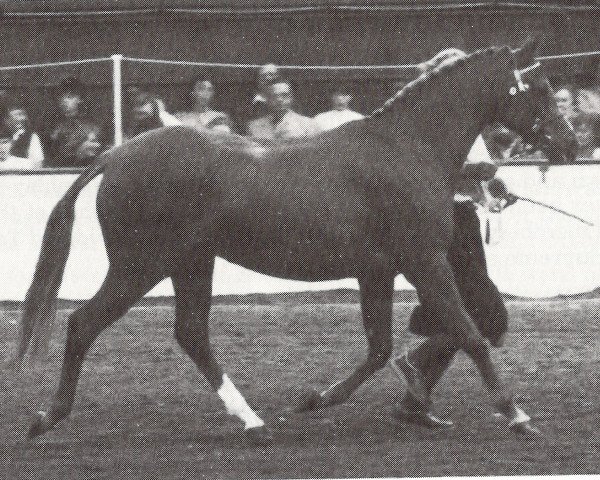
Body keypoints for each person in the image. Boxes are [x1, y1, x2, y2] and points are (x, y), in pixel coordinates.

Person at [388, 48, 537, 434]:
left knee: (459, 317)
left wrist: (494, 187)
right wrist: (475, 169)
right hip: (445, 220)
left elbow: (472, 174)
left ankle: (414, 399)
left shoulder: (467, 117)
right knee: (488, 316)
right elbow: (425, 170)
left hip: (464, 217)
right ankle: (414, 362)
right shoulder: (432, 118)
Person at [44, 76, 103, 168]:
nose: (64, 102)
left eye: (70, 97)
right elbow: (50, 159)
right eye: (61, 97)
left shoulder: (92, 126)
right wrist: (78, 154)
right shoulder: (53, 127)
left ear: (80, 99)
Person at [247, 80, 318, 143]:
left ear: (291, 98)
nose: (279, 100)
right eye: (274, 96)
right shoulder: (254, 126)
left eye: (284, 95)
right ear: (267, 99)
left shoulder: (307, 124)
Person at [0, 96, 44, 169]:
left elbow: (38, 166)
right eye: (16, 115)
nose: (20, 118)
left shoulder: (31, 137)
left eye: (21, 114)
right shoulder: (3, 136)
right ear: (6, 120)